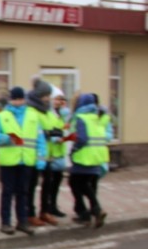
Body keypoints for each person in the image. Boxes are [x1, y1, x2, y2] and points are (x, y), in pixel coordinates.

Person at [0, 85, 47, 236]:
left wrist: (41, 159)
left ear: (24, 99)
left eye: (20, 99)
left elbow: (40, 139)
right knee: (7, 192)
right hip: (9, 161)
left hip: (26, 160)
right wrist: (8, 138)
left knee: (24, 192)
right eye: (15, 99)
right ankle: (6, 222)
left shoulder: (32, 115)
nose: (18, 102)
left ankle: (22, 222)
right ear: (10, 100)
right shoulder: (2, 116)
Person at [68, 92, 110, 228]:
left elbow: (82, 139)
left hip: (84, 156)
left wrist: (73, 150)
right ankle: (91, 212)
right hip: (97, 156)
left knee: (76, 183)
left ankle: (92, 211)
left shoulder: (81, 117)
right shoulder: (97, 117)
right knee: (84, 183)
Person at [23, 78, 54, 227]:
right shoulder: (31, 110)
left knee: (48, 184)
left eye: (49, 95)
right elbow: (34, 132)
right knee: (32, 186)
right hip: (34, 154)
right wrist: (48, 133)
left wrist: (56, 132)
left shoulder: (47, 111)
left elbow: (52, 126)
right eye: (45, 95)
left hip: (48, 153)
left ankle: (45, 211)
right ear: (38, 95)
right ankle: (30, 213)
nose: (48, 98)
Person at [40, 88, 70, 221]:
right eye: (57, 99)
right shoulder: (47, 114)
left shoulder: (61, 115)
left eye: (61, 99)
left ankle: (53, 206)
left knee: (57, 183)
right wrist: (54, 136)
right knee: (48, 184)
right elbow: (48, 131)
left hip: (59, 153)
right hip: (49, 154)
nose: (59, 102)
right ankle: (46, 208)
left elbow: (64, 129)